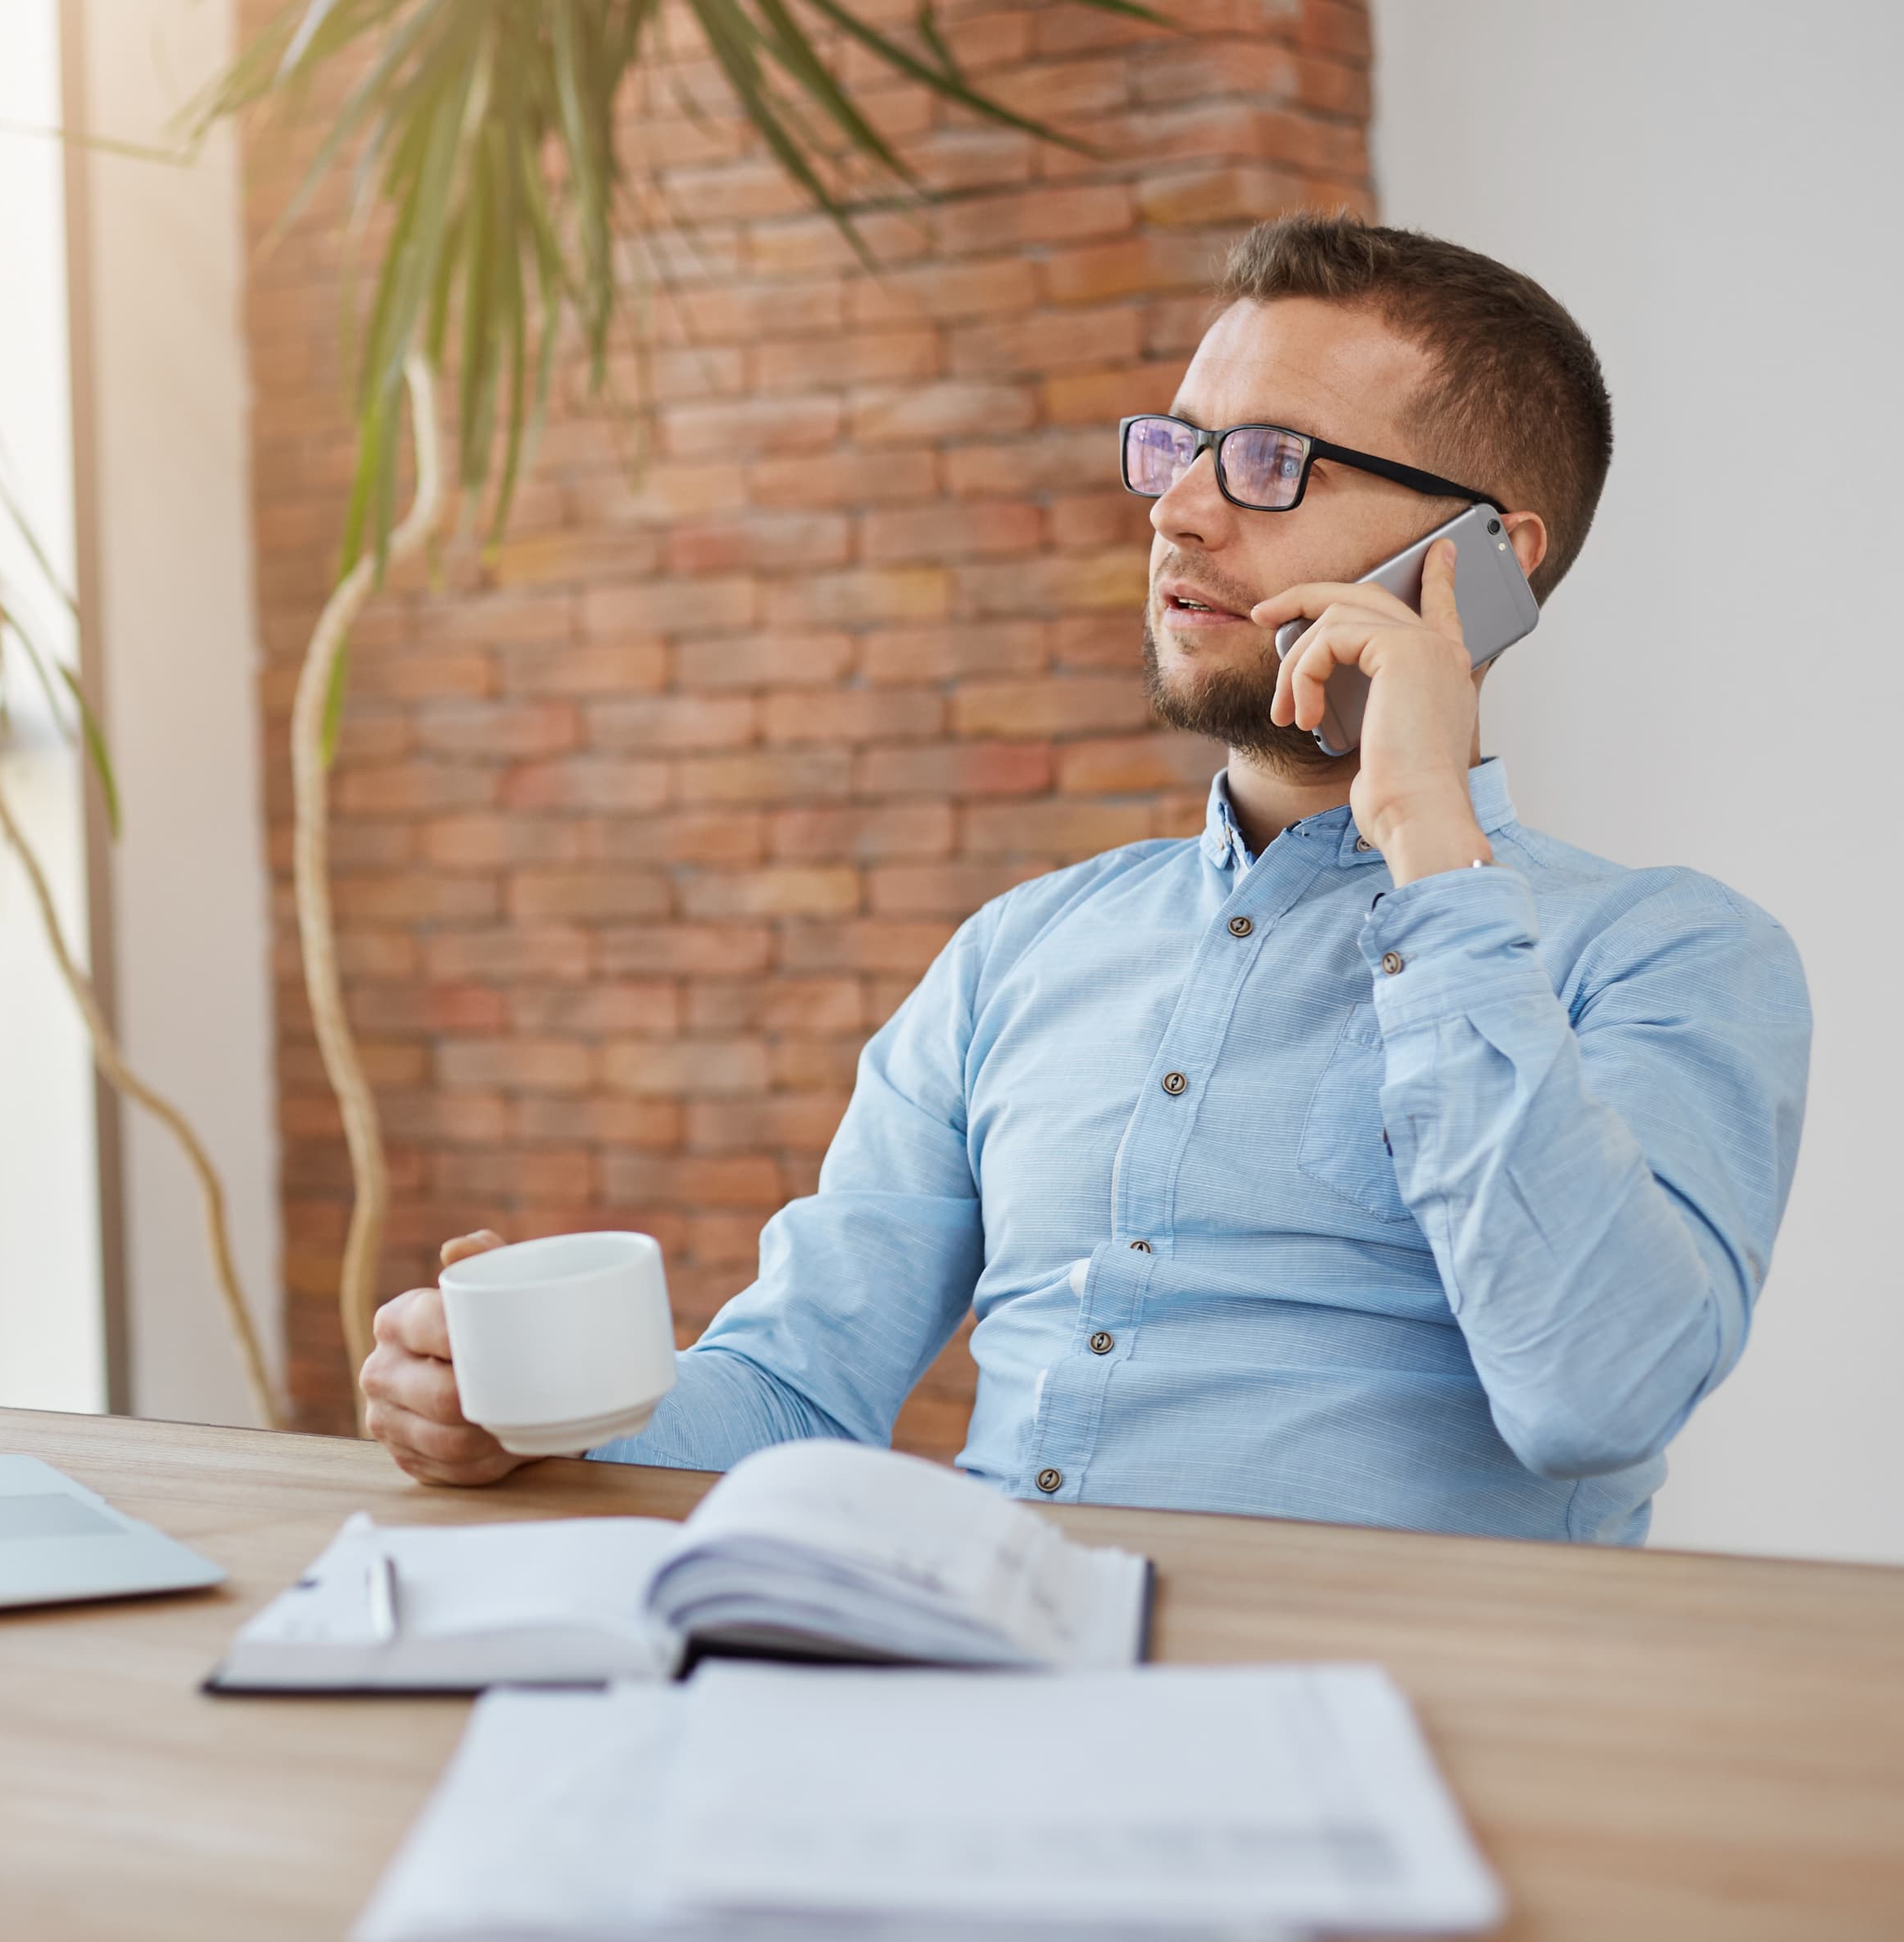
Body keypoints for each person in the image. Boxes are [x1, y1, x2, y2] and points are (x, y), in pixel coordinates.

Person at [359, 213, 1813, 1544]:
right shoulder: (1020, 950)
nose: (1180, 511)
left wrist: (1431, 836)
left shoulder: (1670, 954)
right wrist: (532, 1422)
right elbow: (796, 1389)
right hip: (994, 1675)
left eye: (1270, 462)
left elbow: (1595, 1398)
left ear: (1486, 559)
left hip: (1391, 1711)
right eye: (1178, 450)